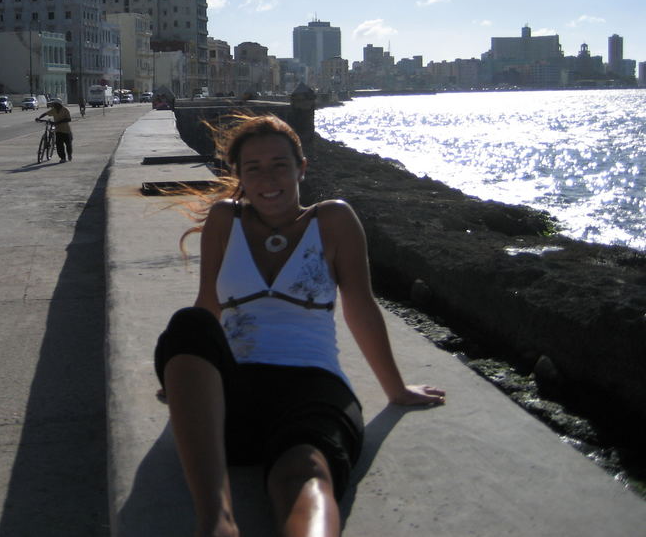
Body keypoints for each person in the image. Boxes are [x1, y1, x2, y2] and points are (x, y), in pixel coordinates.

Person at [154, 114, 445, 537]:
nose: (268, 177)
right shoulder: (223, 220)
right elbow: (207, 306)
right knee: (188, 324)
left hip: (312, 386)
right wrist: (187, 377)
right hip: (233, 392)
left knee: (304, 475)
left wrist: (396, 390)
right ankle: (217, 524)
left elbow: (360, 307)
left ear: (301, 168)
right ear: (238, 174)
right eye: (253, 167)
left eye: (280, 164)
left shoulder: (332, 221)